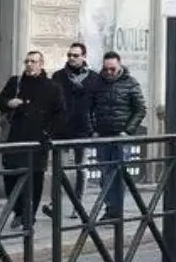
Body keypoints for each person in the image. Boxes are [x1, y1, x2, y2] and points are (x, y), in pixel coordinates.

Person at [0, 50, 64, 229]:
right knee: (11, 177)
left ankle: (29, 215)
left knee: (35, 178)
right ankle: (18, 211)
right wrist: (9, 103)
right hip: (15, 137)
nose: (29, 65)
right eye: (27, 61)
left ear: (41, 64)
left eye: (33, 61)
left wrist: (49, 133)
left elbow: (60, 113)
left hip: (38, 140)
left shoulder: (52, 87)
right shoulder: (15, 82)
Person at [47, 43, 103, 219]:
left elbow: (97, 104)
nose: (71, 58)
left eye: (75, 55)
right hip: (62, 129)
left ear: (84, 57)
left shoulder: (94, 78)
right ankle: (54, 203)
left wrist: (94, 127)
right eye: (69, 55)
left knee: (81, 168)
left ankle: (77, 204)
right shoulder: (58, 76)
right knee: (58, 168)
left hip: (83, 129)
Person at [92, 51, 147, 221]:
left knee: (118, 173)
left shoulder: (130, 83)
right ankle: (111, 208)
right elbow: (90, 107)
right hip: (102, 135)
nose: (109, 72)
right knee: (105, 173)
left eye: (112, 69)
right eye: (106, 69)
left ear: (120, 66)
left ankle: (116, 210)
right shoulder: (97, 83)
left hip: (121, 136)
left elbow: (140, 109)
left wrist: (128, 131)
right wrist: (93, 129)